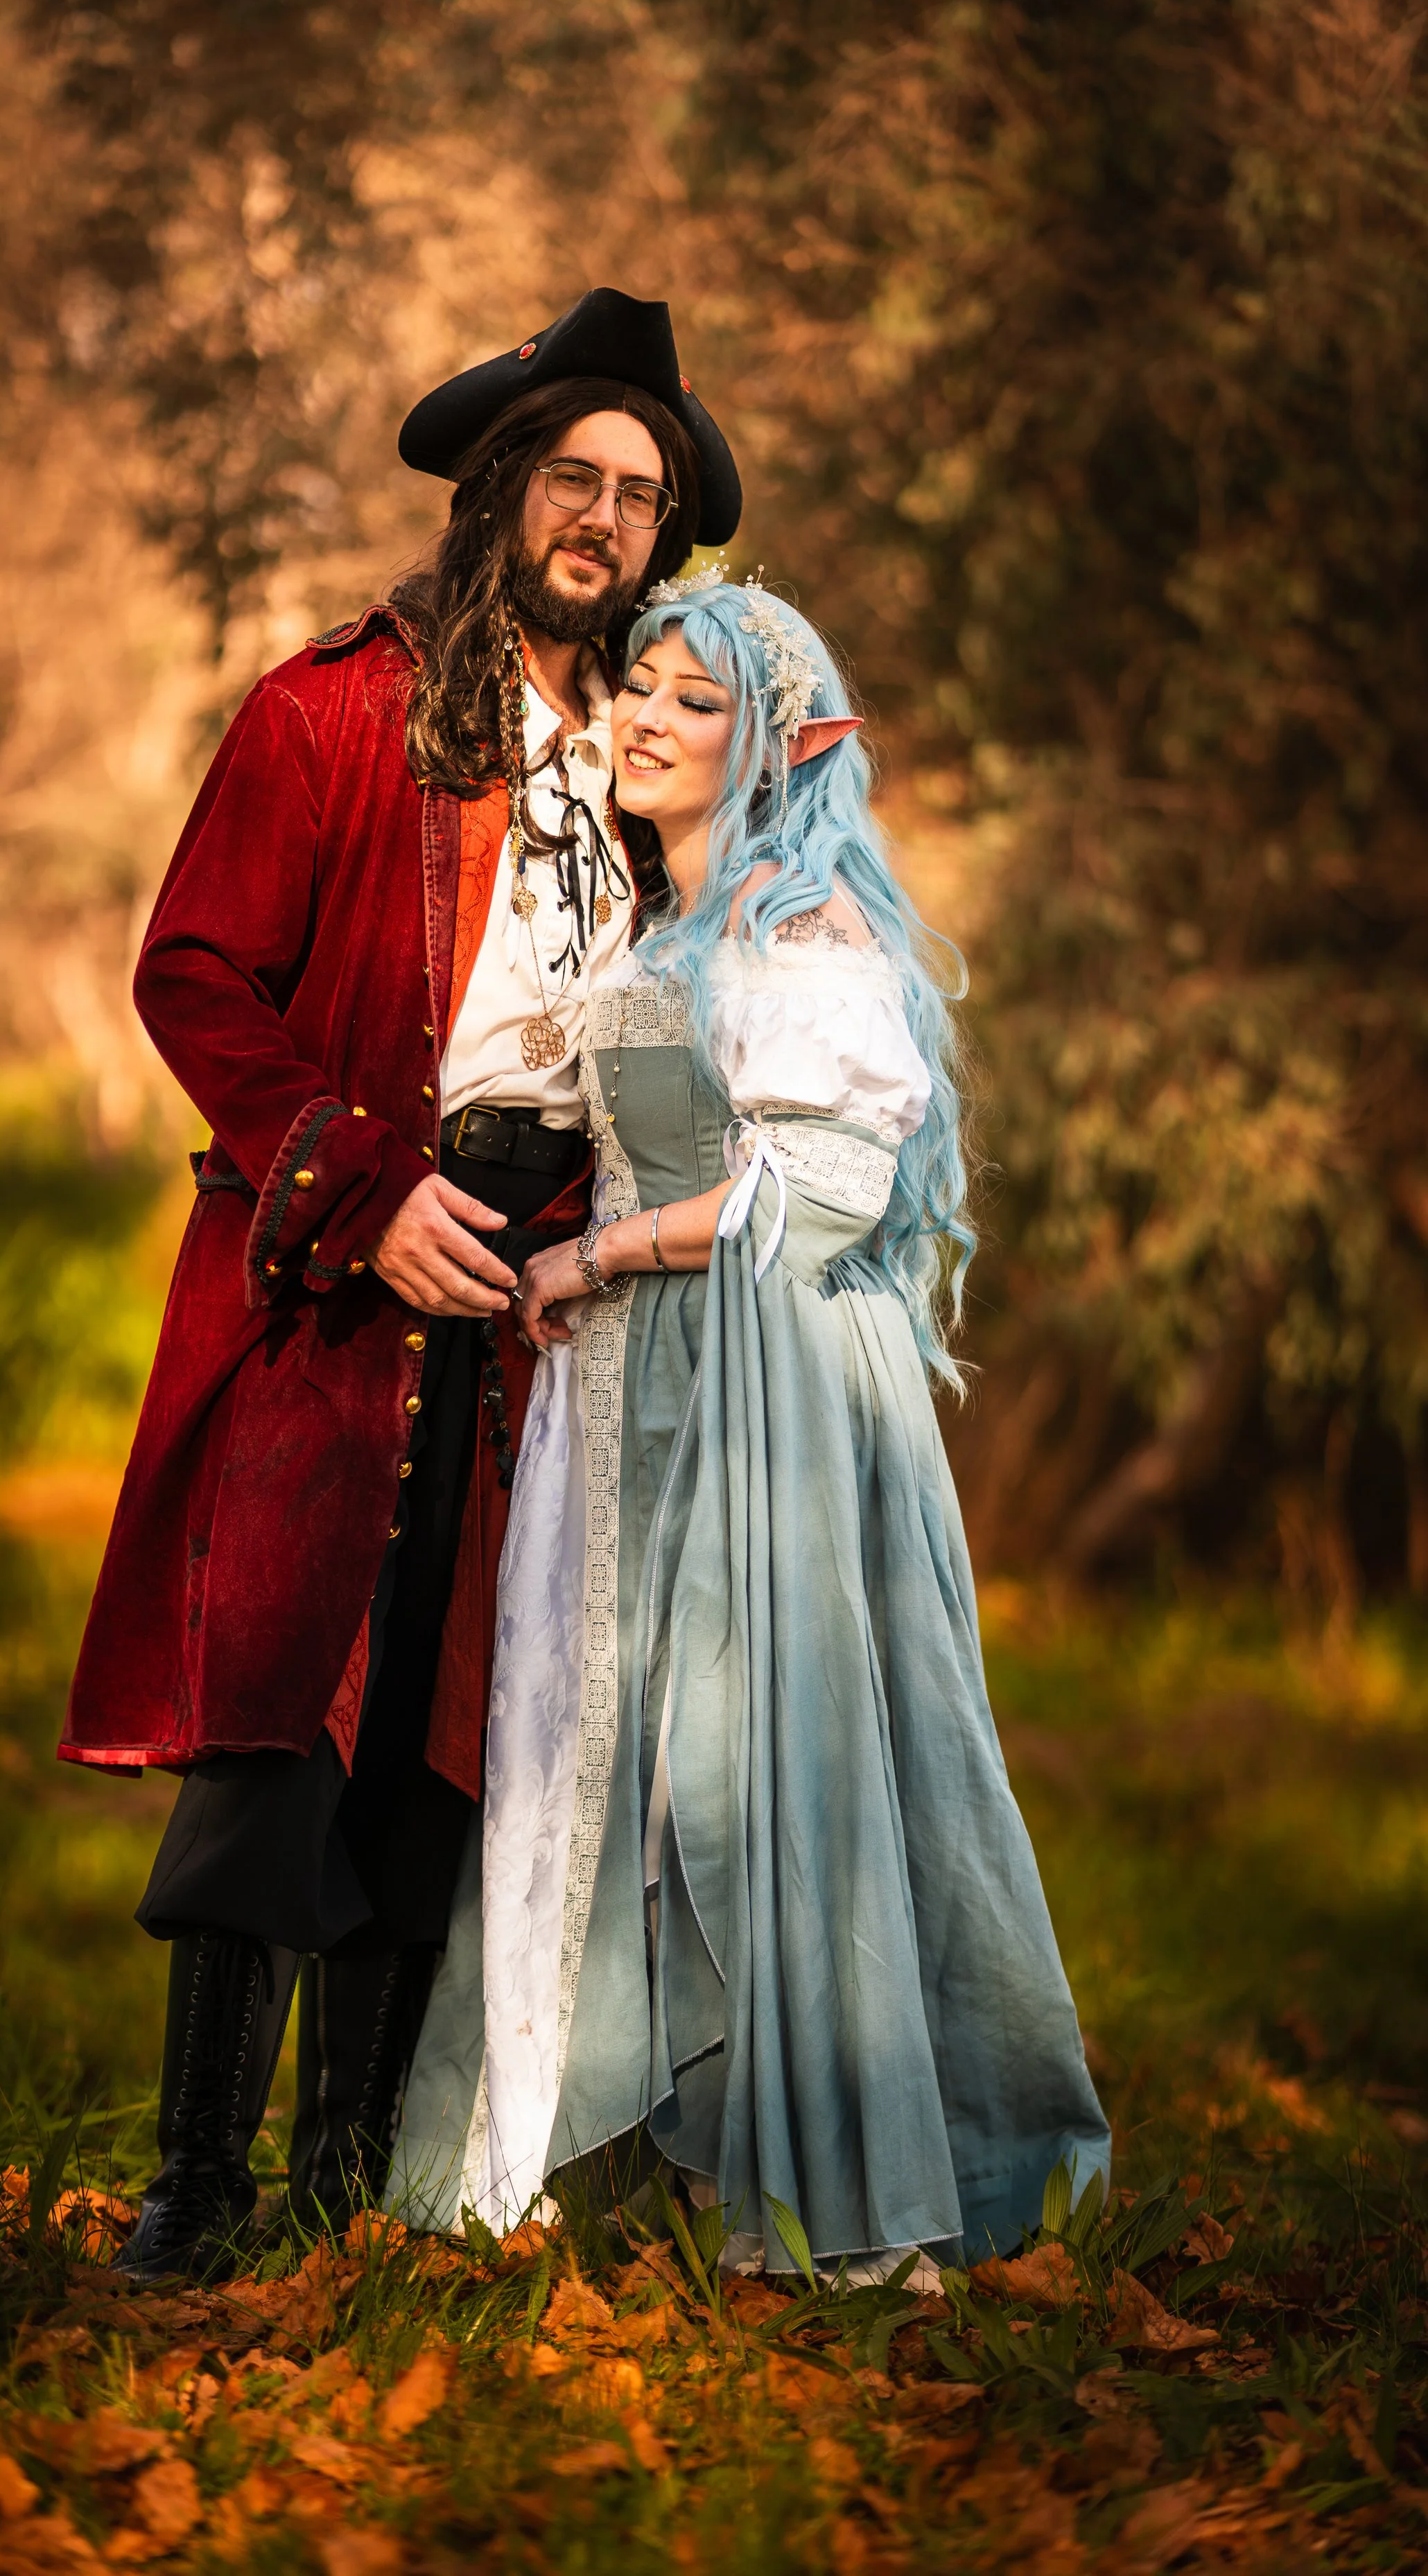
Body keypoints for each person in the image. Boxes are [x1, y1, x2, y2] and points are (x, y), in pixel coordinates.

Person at [58, 291, 742, 2280]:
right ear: (498, 486)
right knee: (287, 1714)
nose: (605, 517)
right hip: (351, 1253)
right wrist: (356, 1189)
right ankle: (197, 2187)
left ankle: (352, 2183)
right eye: (576, 475)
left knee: (465, 1716)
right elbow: (192, 969)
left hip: (553, 1288)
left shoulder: (646, 744)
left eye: (642, 493)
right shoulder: (333, 708)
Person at [391, 575, 1110, 2275]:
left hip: (760, 1393)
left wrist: (594, 1251)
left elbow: (823, 1183)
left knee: (750, 1759)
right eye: (633, 686)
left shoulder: (804, 934)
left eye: (690, 700)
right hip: (634, 1391)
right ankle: (611, 2163)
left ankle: (821, 2172)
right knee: (616, 1760)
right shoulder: (657, 929)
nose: (642, 716)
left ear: (773, 742)